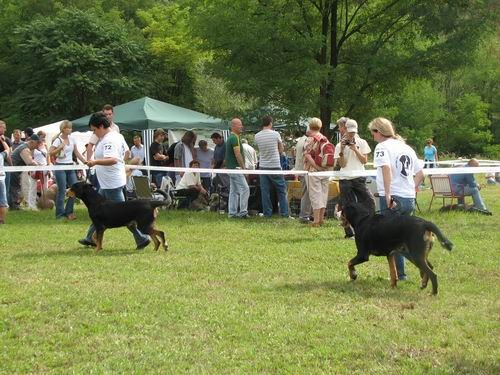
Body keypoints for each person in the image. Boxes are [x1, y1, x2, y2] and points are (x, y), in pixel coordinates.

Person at [78, 112, 150, 250]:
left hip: (111, 184)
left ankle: (142, 237)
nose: (94, 133)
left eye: (94, 130)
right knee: (96, 211)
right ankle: (89, 237)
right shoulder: (117, 135)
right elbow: (126, 154)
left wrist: (94, 162)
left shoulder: (109, 140)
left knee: (122, 215)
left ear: (100, 126)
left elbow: (113, 159)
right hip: (107, 182)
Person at [369, 117, 424, 281]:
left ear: (378, 132)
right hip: (408, 198)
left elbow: (386, 169)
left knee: (392, 240)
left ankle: (412, 270)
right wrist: (410, 188)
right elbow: (421, 174)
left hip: (393, 198)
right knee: (401, 238)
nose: (372, 137)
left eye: (373, 133)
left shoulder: (382, 147)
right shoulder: (406, 147)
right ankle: (407, 272)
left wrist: (387, 194)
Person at [334, 119, 375, 238]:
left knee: (369, 201)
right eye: (350, 132)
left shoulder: (362, 142)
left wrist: (355, 149)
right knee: (347, 206)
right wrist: (342, 150)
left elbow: (364, 160)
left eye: (353, 132)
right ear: (345, 130)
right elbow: (342, 164)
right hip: (345, 178)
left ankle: (370, 227)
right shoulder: (339, 145)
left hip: (359, 177)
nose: (351, 134)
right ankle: (349, 233)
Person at [254, 115, 289, 218]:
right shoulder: (275, 134)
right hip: (275, 165)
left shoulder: (257, 136)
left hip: (263, 166)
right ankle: (284, 213)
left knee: (265, 192)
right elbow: (281, 150)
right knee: (281, 190)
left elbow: (259, 149)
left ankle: (267, 213)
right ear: (270, 123)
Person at [49, 120, 86, 220]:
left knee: (75, 189)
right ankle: (60, 214)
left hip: (70, 165)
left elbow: (77, 153)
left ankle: (69, 212)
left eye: (70, 128)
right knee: (61, 191)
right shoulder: (57, 140)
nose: (70, 129)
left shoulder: (73, 138)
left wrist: (85, 161)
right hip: (60, 166)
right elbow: (50, 153)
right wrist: (60, 147)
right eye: (68, 128)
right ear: (63, 129)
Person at [303, 117, 332, 227]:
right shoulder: (325, 139)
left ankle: (316, 220)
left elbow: (307, 156)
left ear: (310, 126)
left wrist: (316, 167)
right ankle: (321, 218)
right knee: (324, 194)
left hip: (314, 171)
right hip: (326, 171)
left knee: (315, 195)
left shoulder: (310, 139)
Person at [10, 134, 43, 210]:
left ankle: (15, 205)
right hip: (13, 171)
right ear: (32, 142)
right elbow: (29, 161)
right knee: (16, 188)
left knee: (17, 188)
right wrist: (38, 164)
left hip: (16, 170)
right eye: (37, 143)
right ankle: (14, 206)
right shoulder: (24, 148)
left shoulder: (25, 147)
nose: (37, 145)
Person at [225, 118, 249, 218]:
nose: (241, 126)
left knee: (233, 191)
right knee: (245, 189)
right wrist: (243, 168)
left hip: (231, 168)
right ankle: (243, 212)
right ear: (233, 126)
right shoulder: (235, 138)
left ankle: (232, 213)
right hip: (235, 168)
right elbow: (237, 154)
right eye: (239, 125)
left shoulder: (231, 137)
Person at [294, 126, 312, 223]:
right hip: (305, 170)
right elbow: (306, 156)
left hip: (300, 170)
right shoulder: (307, 141)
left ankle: (306, 215)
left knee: (306, 193)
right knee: (307, 193)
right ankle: (304, 216)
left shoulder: (301, 140)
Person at [0, 133, 10, 224]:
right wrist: (3, 141)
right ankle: (2, 220)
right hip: (1, 179)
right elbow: (7, 149)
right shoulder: (1, 156)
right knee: (2, 201)